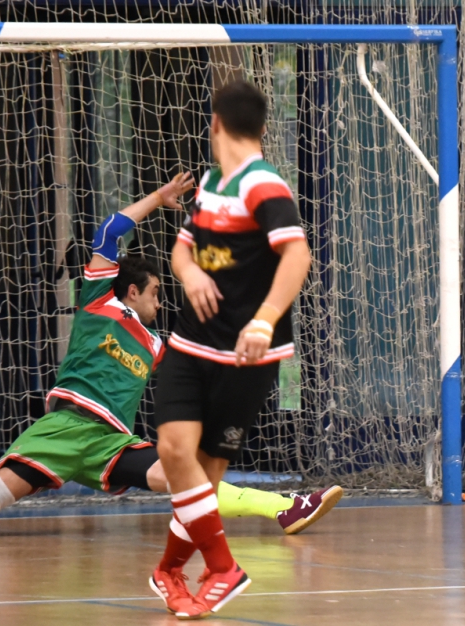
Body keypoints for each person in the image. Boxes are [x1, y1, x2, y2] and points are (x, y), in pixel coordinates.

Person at [0, 173, 341, 539]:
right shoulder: (99, 301)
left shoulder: (156, 344)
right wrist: (159, 199)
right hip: (63, 429)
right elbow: (108, 233)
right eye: (154, 294)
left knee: (184, 475)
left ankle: (285, 507)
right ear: (132, 290)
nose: (159, 303)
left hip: (110, 441)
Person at [150, 80, 315, 619]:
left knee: (206, 471)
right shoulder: (210, 182)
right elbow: (181, 251)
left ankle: (168, 569)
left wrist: (264, 320)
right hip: (191, 343)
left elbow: (297, 256)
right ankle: (223, 568)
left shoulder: (263, 186)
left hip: (247, 355)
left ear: (214, 122)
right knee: (174, 450)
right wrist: (191, 273)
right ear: (263, 127)